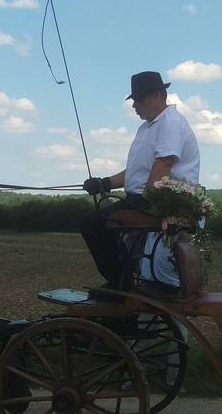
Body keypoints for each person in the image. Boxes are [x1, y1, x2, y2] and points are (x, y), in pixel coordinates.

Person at [80, 71, 200, 291]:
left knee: (93, 224)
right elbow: (138, 171)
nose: (134, 105)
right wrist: (104, 183)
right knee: (100, 226)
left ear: (158, 95)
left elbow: (163, 165)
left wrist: (146, 200)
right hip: (147, 197)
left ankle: (121, 287)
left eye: (139, 99)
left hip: (164, 201)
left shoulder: (170, 123)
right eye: (134, 99)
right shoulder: (147, 127)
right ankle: (124, 281)